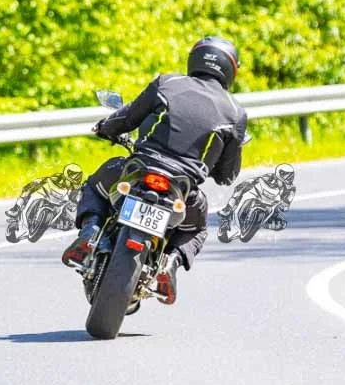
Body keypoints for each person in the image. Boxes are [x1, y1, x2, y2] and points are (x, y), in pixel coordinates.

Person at [62, 37, 248, 304]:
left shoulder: (167, 82)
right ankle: (170, 264)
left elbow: (127, 117)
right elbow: (227, 174)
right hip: (181, 189)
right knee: (196, 229)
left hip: (140, 168)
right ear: (231, 69)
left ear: (195, 59)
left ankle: (90, 232)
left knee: (95, 186)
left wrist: (105, 127)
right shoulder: (235, 113)